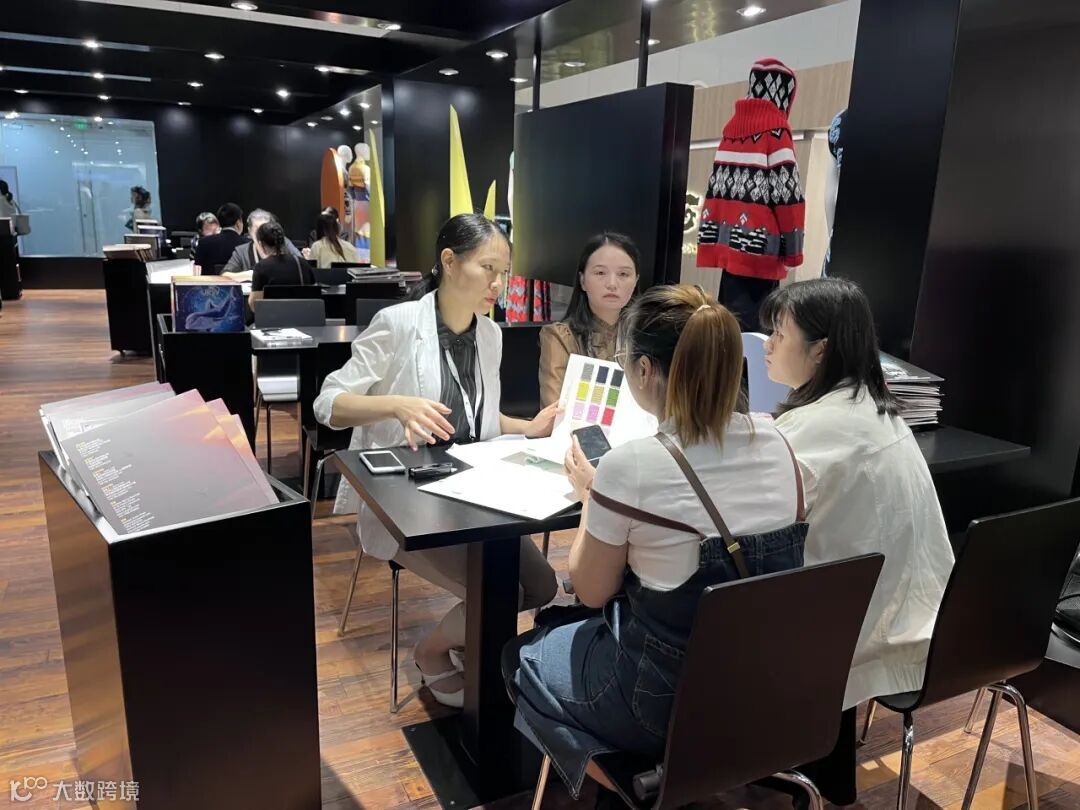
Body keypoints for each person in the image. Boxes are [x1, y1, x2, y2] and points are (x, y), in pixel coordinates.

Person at [504, 284, 806, 801]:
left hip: (659, 703)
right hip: (763, 692)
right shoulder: (781, 442)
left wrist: (593, 497)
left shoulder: (632, 465)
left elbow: (590, 590)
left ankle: (641, 783)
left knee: (523, 657)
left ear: (644, 370)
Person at [314, 213, 560, 708]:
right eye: (488, 268)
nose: (498, 284)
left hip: (474, 491)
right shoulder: (399, 324)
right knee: (503, 593)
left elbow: (480, 418)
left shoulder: (490, 335)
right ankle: (430, 652)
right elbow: (328, 403)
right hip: (407, 500)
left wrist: (527, 427)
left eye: (503, 272)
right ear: (449, 261)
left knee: (543, 585)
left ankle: (470, 639)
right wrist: (396, 405)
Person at [762, 277, 954, 803]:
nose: (768, 345)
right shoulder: (874, 408)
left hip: (858, 640)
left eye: (779, 333)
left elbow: (743, 519)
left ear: (820, 350)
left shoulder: (814, 430)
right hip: (928, 622)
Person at [538, 233, 639, 406]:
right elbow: (554, 410)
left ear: (636, 280)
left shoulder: (645, 336)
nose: (612, 284)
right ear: (582, 280)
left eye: (623, 274)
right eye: (600, 272)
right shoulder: (561, 337)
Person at [248, 220, 315, 314]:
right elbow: (312, 293)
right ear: (283, 241)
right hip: (302, 317)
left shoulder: (261, 267)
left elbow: (254, 304)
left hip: (272, 318)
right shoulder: (302, 263)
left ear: (261, 244)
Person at [222, 208, 302, 277]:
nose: (262, 234)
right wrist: (250, 274)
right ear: (249, 231)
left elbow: (301, 264)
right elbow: (225, 274)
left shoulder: (284, 243)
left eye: (266, 229)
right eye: (257, 230)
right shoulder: (242, 251)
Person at [193, 203, 247, 273]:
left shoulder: (203, 243)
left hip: (210, 280)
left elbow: (197, 273)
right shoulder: (248, 244)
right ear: (238, 222)